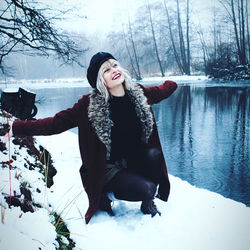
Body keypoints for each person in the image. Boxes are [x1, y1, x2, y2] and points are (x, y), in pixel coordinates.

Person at [0, 52, 178, 224]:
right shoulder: (89, 105)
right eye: (106, 70)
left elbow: (161, 91)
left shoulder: (138, 94)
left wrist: (172, 82)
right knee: (147, 189)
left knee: (154, 155)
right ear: (100, 80)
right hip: (107, 168)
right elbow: (55, 124)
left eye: (115, 65)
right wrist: (17, 127)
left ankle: (147, 204)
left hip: (131, 160)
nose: (114, 70)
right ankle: (104, 193)